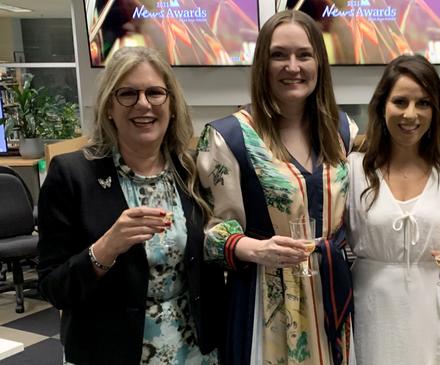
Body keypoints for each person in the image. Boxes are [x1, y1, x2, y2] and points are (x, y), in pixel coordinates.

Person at [37, 47, 226, 364]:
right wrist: (105, 249)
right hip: (111, 351)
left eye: (155, 92)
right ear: (109, 106)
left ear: (172, 105)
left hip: (194, 350)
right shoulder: (72, 175)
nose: (143, 104)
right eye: (127, 94)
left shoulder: (192, 171)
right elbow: (52, 288)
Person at [196, 10, 357, 365]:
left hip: (330, 289)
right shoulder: (229, 137)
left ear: (319, 62)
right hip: (266, 296)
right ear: (262, 65)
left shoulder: (343, 130)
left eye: (304, 54)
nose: (292, 66)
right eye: (278, 55)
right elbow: (209, 234)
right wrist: (255, 249)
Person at [345, 54, 440, 365]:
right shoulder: (354, 169)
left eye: (423, 104)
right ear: (382, 106)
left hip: (434, 304)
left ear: (436, 110)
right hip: (372, 305)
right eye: (400, 102)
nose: (411, 114)